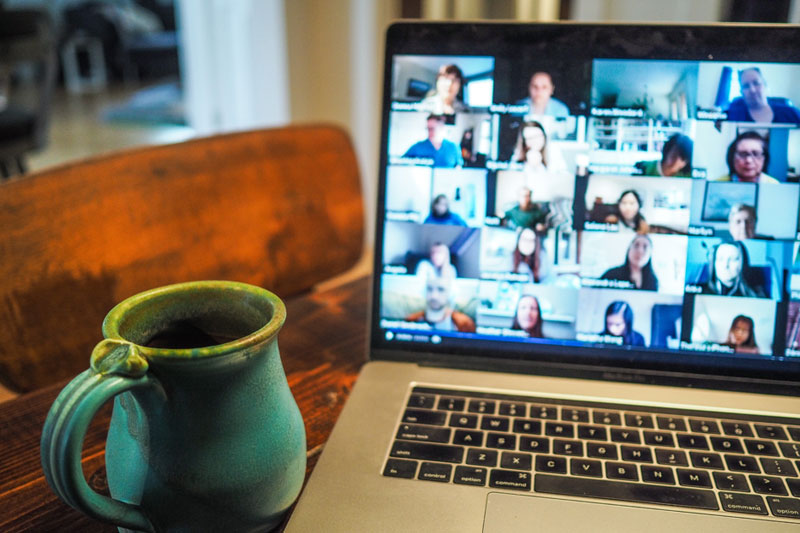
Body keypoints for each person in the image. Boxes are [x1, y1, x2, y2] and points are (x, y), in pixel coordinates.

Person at [725, 67, 800, 124]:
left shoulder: (791, 113)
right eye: (746, 86)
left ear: (765, 85)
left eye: (756, 83)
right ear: (741, 92)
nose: (752, 90)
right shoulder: (732, 117)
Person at [405, 275, 475, 332]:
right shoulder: (412, 320)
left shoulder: (464, 324)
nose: (434, 296)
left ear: (450, 294)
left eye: (441, 289)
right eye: (429, 289)